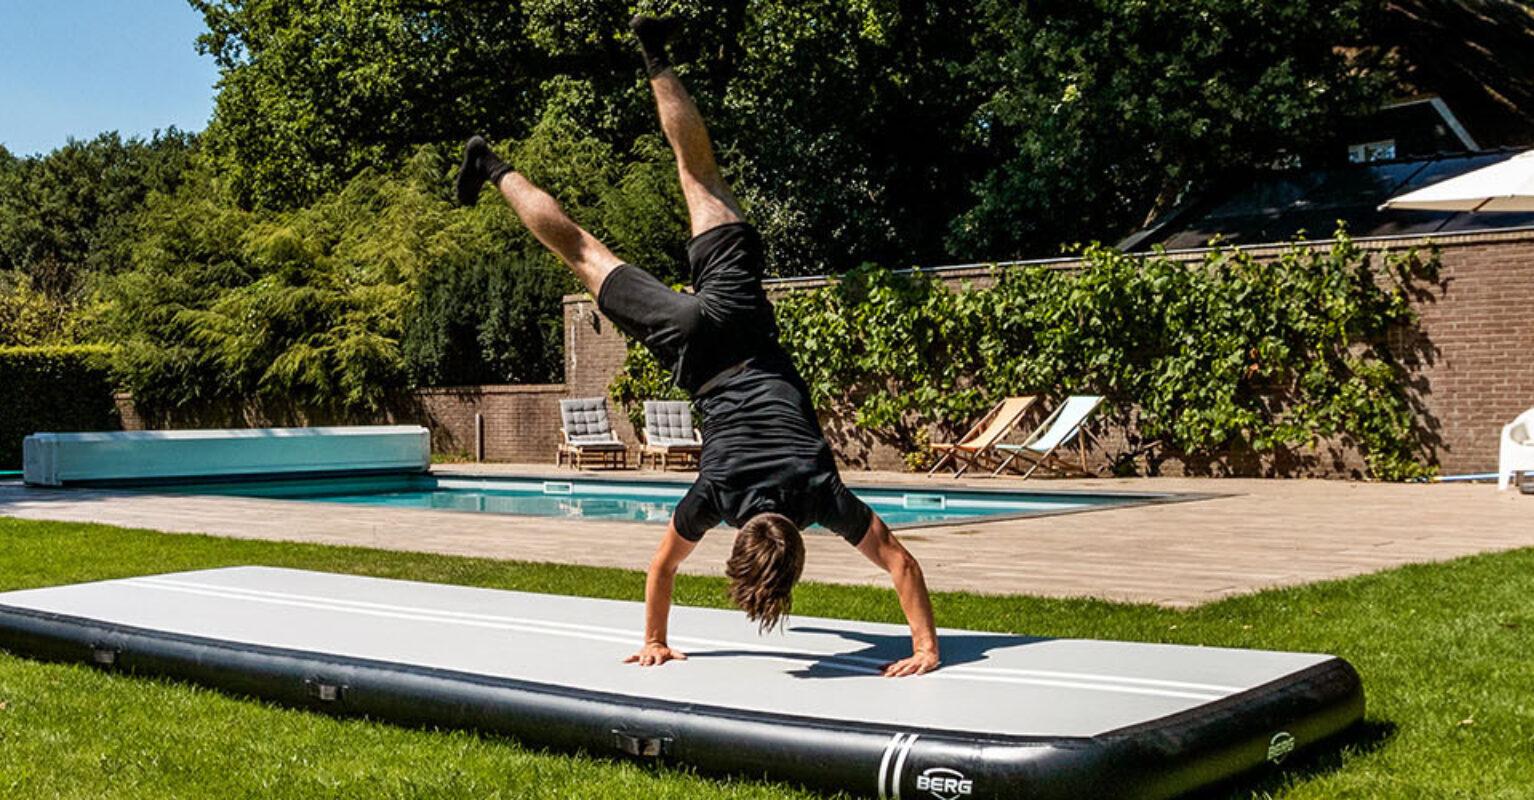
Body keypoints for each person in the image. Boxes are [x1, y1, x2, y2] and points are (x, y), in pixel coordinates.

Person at [455, 16, 940, 677]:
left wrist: (926, 648)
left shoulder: (820, 494)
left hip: (744, 325)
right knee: (581, 252)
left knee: (701, 177)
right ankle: (488, 162)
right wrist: (654, 639)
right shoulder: (715, 494)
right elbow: (663, 567)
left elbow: (900, 563)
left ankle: (656, 54)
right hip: (697, 356)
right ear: (745, 541)